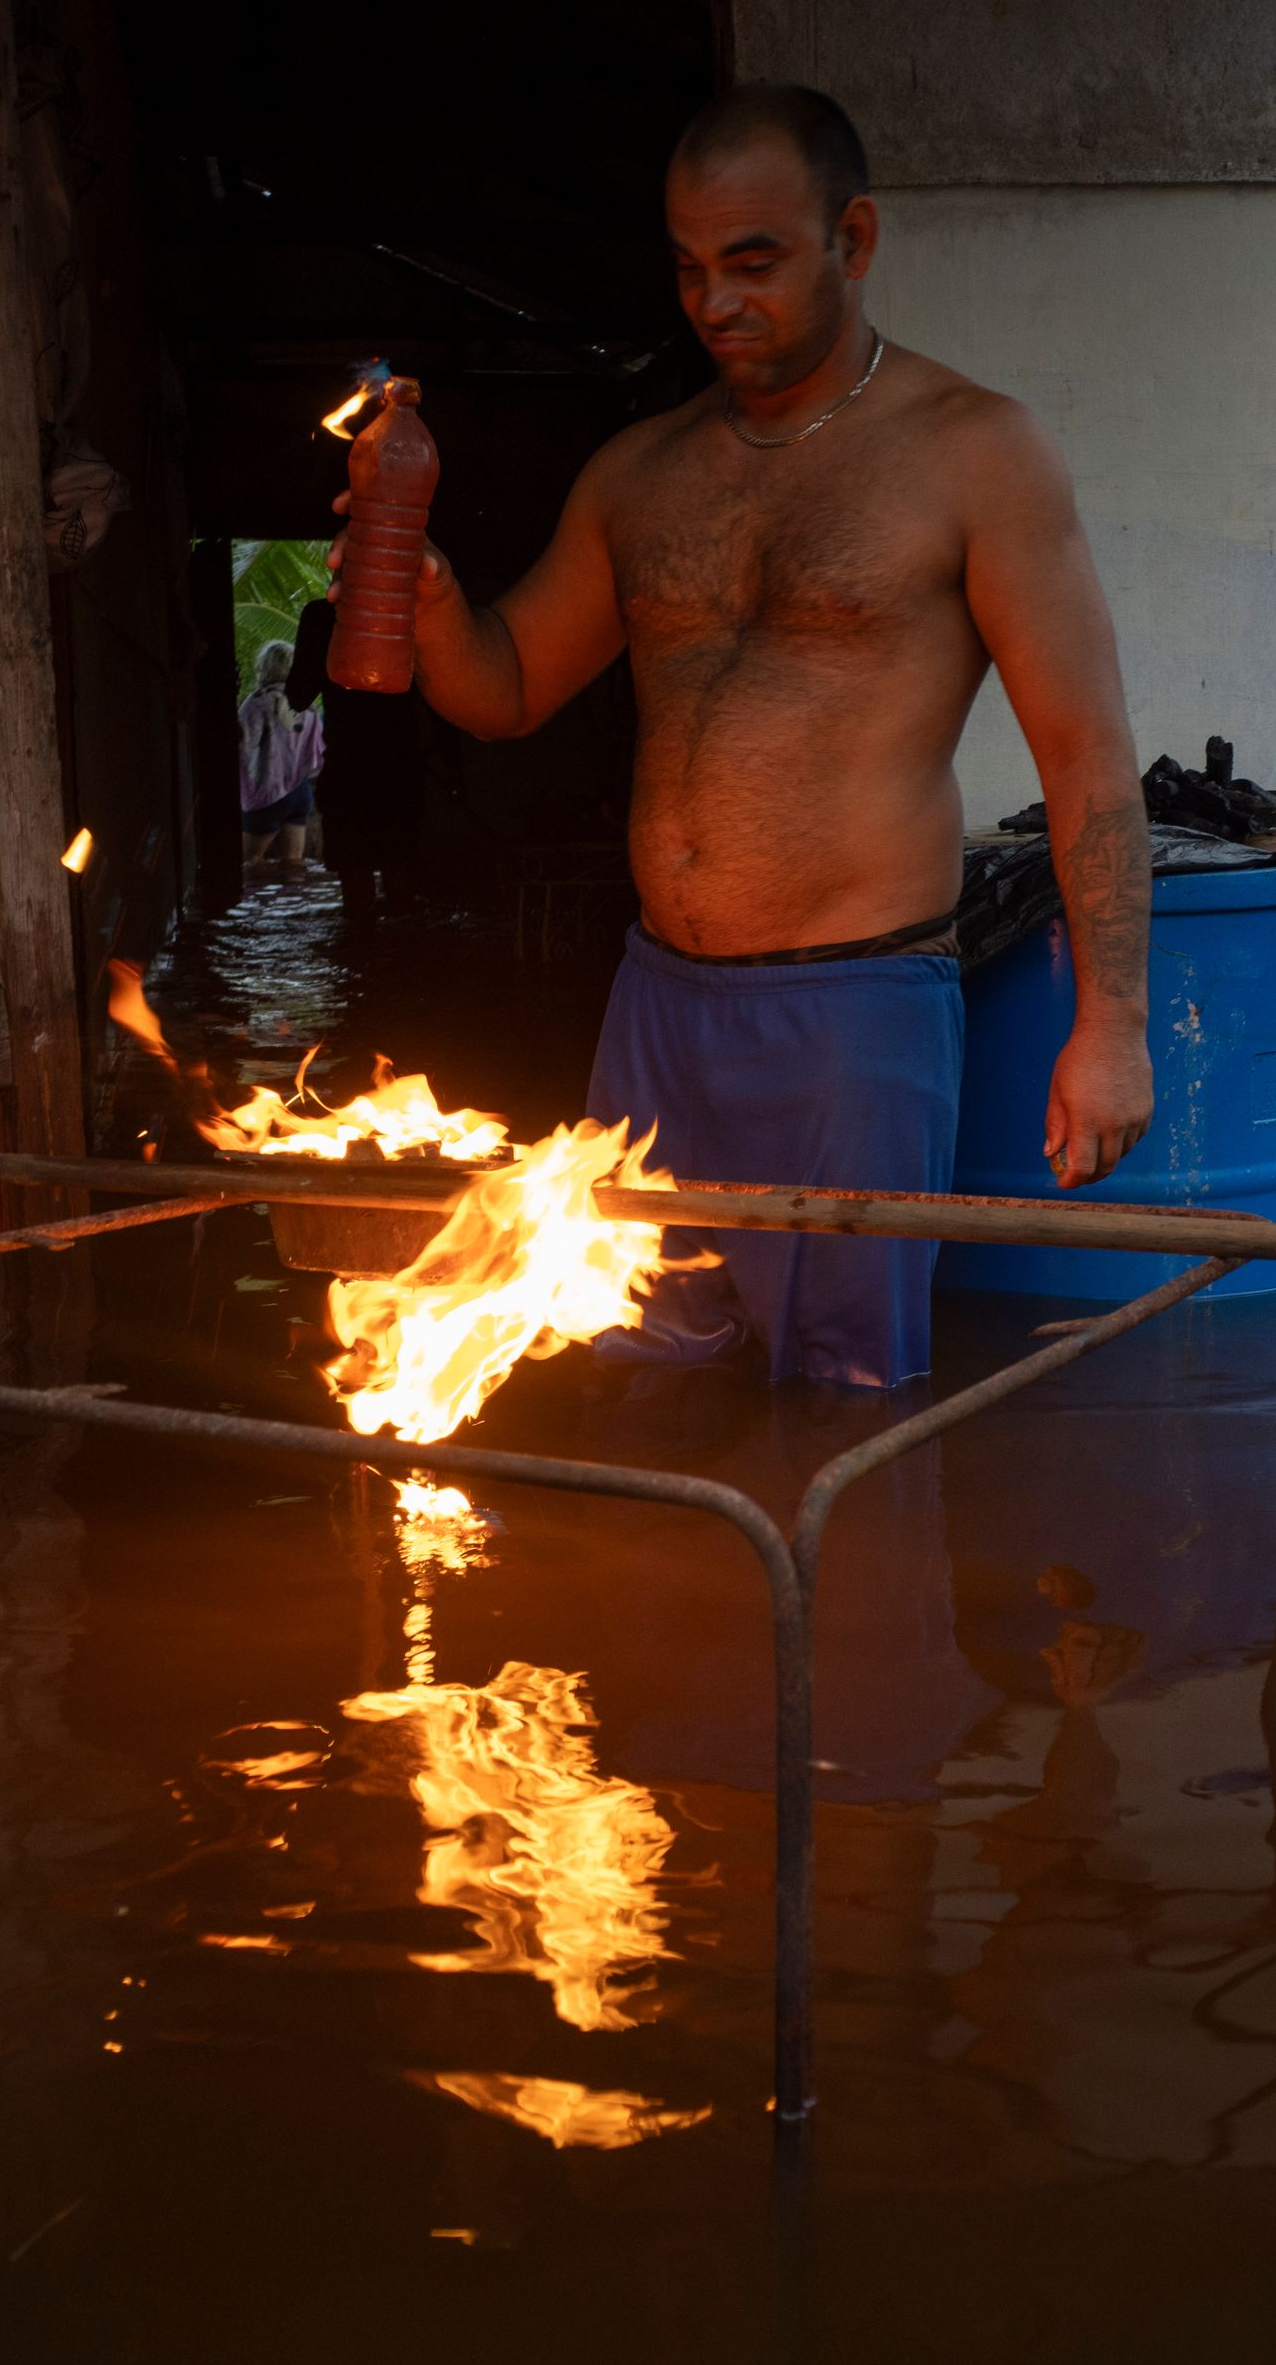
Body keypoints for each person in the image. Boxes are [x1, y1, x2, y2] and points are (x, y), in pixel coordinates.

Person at [332, 80, 1152, 1386]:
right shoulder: (641, 473)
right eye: (689, 266)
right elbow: (506, 689)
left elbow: (1089, 761)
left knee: (845, 1399)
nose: (714, 302)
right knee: (629, 1367)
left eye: (754, 261)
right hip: (656, 1005)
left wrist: (1110, 1025)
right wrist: (424, 597)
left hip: (851, 1013)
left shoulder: (974, 453)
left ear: (856, 238)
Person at [234, 636, 323, 869]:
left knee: (247, 865)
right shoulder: (308, 707)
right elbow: (317, 756)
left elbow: (245, 746)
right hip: (300, 793)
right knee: (293, 866)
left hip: (265, 795)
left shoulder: (255, 703)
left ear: (264, 667)